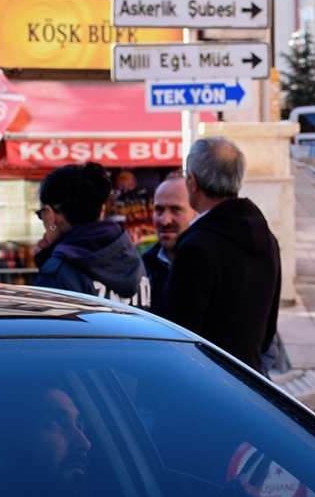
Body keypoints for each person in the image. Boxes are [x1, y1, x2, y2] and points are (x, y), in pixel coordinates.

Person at [161, 137, 281, 374]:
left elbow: (177, 336)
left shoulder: (197, 247)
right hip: (252, 381)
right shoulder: (268, 239)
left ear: (193, 182)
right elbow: (268, 334)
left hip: (207, 386)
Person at [29, 162, 143, 302]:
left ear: (50, 215)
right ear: (101, 211)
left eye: (41, 215)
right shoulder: (135, 263)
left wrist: (52, 266)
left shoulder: (57, 275)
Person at [139, 172, 197, 313]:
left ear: (197, 213)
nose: (164, 221)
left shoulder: (210, 267)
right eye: (159, 210)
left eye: (176, 210)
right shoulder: (142, 268)